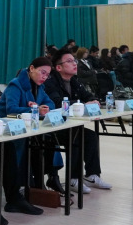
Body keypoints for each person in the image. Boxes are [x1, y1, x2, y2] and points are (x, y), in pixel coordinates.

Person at [43, 50, 112, 193]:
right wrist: (82, 104)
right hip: (51, 127)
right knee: (75, 137)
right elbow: (57, 103)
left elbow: (88, 96)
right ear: (58, 67)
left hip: (68, 125)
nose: (74, 64)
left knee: (91, 136)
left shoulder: (74, 81)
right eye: (69, 61)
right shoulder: (51, 83)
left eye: (74, 60)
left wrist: (93, 101)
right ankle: (73, 179)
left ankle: (92, 175)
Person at [0, 57, 56, 215]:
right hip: (7, 131)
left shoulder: (39, 87)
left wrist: (41, 107)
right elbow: (10, 109)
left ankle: (38, 186)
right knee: (24, 148)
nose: (44, 77)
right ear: (31, 68)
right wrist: (34, 110)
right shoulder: (16, 85)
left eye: (47, 74)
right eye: (42, 72)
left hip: (27, 130)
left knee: (47, 141)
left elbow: (51, 104)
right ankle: (15, 197)